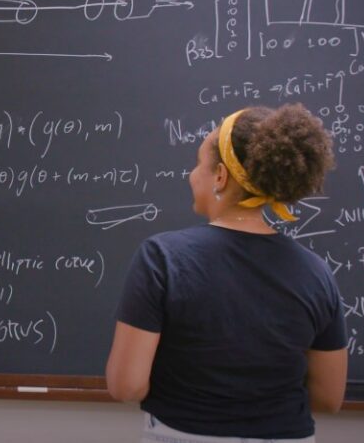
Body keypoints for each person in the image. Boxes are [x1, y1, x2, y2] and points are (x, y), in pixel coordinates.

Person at [106, 103, 347, 443]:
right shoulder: (316, 272)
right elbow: (329, 398)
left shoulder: (162, 258)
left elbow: (126, 386)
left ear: (220, 175)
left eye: (198, 163)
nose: (192, 175)